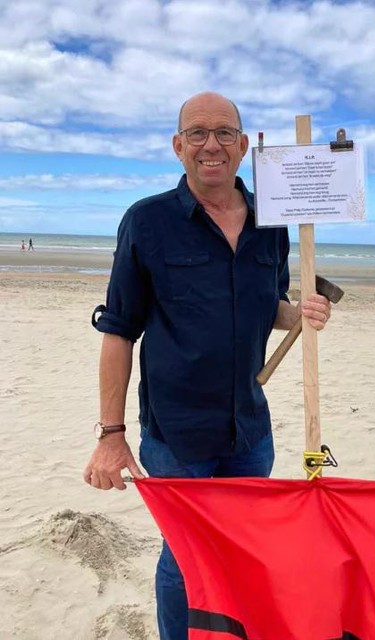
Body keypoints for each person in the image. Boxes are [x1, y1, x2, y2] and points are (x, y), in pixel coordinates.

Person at [83, 92, 332, 640]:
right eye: (197, 133)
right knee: (185, 558)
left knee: (240, 550)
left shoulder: (273, 220)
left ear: (243, 146)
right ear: (178, 147)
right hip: (175, 433)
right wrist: (111, 434)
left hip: (249, 429)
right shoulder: (146, 222)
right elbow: (120, 329)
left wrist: (302, 312)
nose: (210, 144)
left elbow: (272, 307)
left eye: (224, 133)